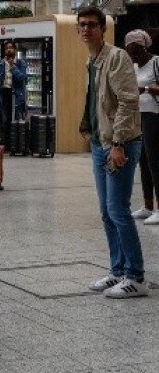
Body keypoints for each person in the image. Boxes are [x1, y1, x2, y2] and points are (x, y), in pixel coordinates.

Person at [78, 7, 147, 298]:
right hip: (100, 143)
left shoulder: (116, 57)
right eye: (82, 25)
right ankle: (118, 271)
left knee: (118, 210)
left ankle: (136, 277)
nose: (86, 29)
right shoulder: (91, 61)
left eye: (91, 25)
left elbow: (128, 102)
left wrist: (118, 144)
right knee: (107, 212)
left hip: (120, 143)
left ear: (103, 28)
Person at [125, 30, 159, 226]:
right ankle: (148, 206)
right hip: (139, 117)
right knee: (143, 162)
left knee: (155, 162)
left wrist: (145, 89)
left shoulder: (156, 62)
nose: (133, 56)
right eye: (130, 52)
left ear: (144, 46)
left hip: (154, 117)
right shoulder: (134, 66)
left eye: (136, 51)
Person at [0, 41, 27, 145]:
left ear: (15, 50)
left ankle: (17, 144)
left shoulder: (21, 63)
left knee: (17, 119)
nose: (9, 50)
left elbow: (21, 77)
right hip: (4, 93)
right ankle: (7, 143)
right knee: (4, 119)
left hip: (16, 94)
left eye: (11, 48)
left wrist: (13, 67)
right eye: (7, 48)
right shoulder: (0, 63)